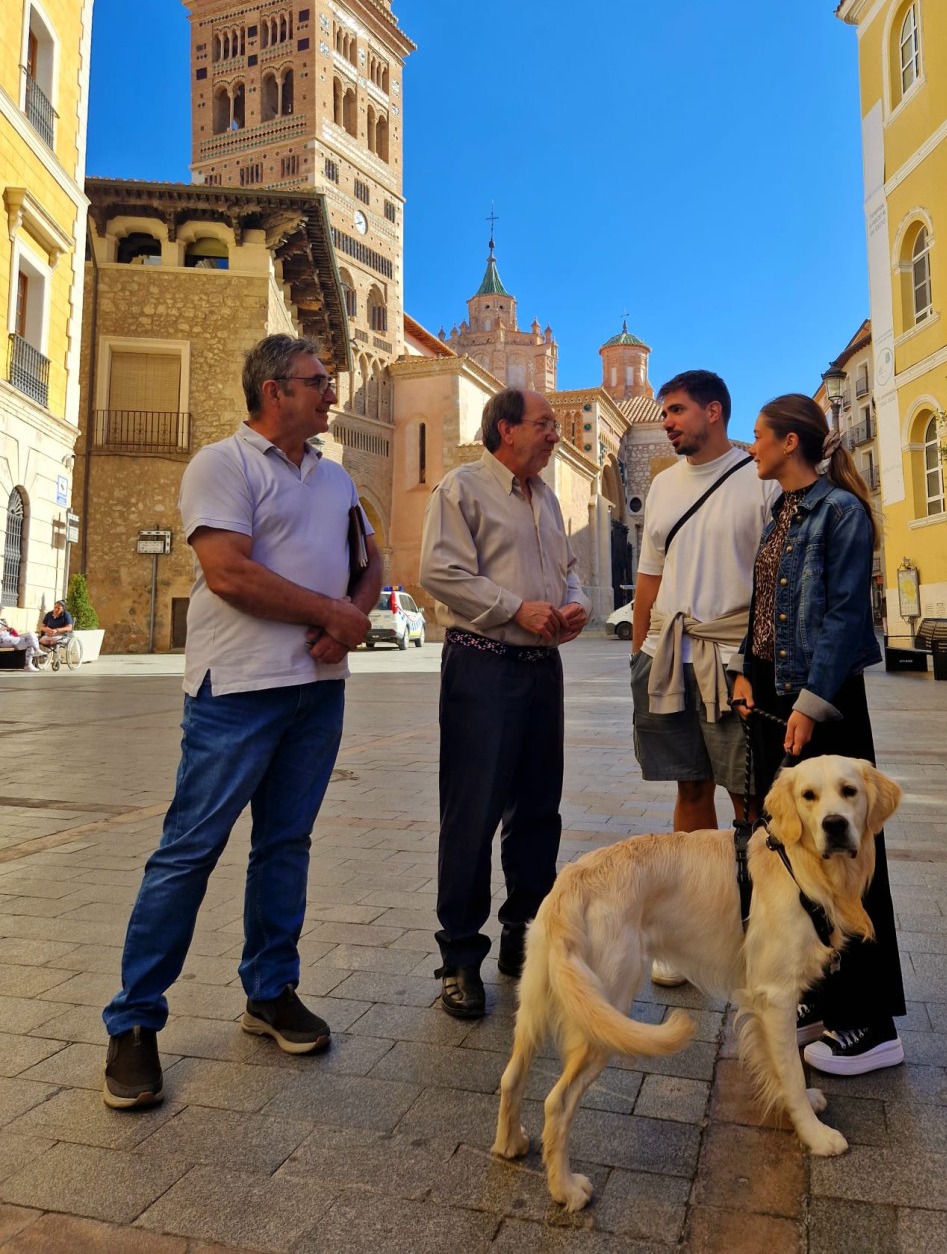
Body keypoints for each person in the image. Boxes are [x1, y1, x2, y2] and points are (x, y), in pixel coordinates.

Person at [102, 335, 379, 1109]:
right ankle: (132, 1022)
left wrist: (350, 618)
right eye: (318, 382)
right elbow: (226, 571)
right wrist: (329, 611)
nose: (332, 392)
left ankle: (270, 991)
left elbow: (371, 560)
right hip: (239, 693)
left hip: (317, 688)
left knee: (285, 845)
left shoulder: (335, 477)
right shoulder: (221, 465)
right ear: (273, 390)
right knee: (189, 850)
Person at [731, 392, 906, 1076]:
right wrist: (747, 671)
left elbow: (842, 619)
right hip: (779, 699)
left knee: (854, 858)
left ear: (791, 444)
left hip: (826, 704)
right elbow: (765, 607)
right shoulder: (781, 513)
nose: (753, 447)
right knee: (802, 853)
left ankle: (874, 1019)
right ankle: (827, 994)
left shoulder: (841, 512)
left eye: (760, 436)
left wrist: (809, 700)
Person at [420, 387, 591, 1019]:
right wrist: (516, 608)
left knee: (540, 811)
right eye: (544, 425)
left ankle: (524, 933)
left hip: (542, 667)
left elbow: (570, 569)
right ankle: (460, 957)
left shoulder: (545, 497)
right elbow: (440, 573)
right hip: (483, 666)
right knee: (472, 814)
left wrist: (577, 604)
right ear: (505, 429)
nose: (555, 435)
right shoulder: (461, 490)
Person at [630, 370, 777, 986]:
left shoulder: (758, 480)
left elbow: (773, 582)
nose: (667, 421)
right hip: (671, 658)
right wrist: (639, 654)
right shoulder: (663, 487)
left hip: (734, 658)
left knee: (749, 798)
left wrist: (758, 664)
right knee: (690, 791)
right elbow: (649, 575)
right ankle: (694, 931)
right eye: (665, 411)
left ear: (714, 412)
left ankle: (755, 926)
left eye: (678, 410)